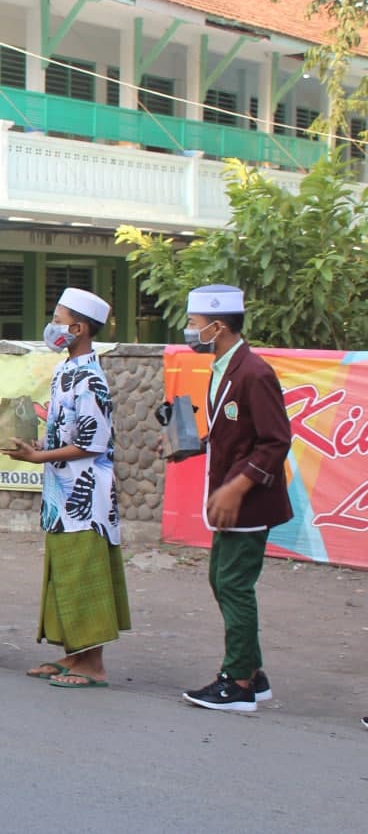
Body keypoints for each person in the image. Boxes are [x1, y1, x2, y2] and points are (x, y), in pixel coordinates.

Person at [169, 285, 292, 713]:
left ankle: (237, 681)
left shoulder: (254, 373)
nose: (189, 331)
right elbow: (233, 434)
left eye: (193, 324)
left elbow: (275, 443)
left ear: (217, 327)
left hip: (249, 501)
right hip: (229, 498)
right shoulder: (224, 366)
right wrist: (193, 444)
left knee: (234, 585)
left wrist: (236, 487)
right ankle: (253, 674)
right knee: (222, 581)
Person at [8, 288, 130, 688]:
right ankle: (74, 656)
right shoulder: (66, 370)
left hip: (86, 497)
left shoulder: (91, 378)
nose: (52, 326)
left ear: (78, 328)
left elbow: (91, 444)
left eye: (59, 319)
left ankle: (92, 666)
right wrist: (38, 446)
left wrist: (38, 459)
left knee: (83, 574)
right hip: (61, 495)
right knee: (63, 574)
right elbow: (67, 434)